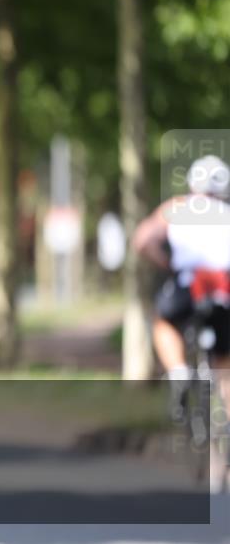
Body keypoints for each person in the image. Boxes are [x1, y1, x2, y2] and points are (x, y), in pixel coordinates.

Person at [133, 154, 230, 491]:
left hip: (189, 286)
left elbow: (142, 240)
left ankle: (178, 372)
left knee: (163, 323)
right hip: (222, 290)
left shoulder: (176, 207)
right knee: (224, 367)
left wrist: (166, 263)